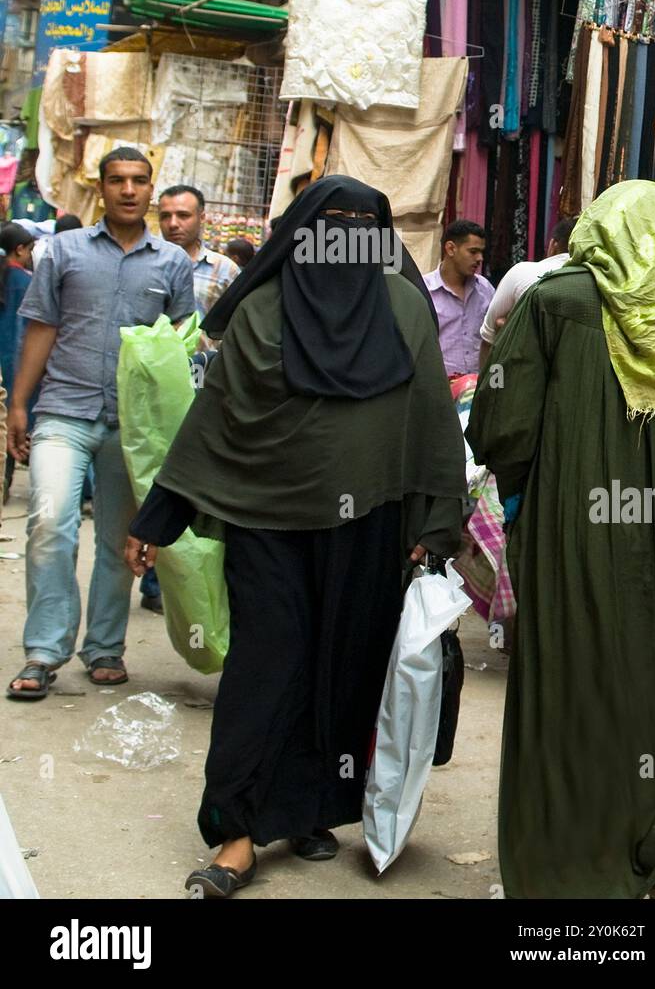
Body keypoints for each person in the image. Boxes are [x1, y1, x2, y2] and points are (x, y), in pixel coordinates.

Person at [125, 176, 468, 898]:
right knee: (266, 669)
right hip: (268, 522)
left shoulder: (403, 308)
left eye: (360, 225)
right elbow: (216, 422)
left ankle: (310, 808)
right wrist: (157, 521)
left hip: (370, 526)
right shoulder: (261, 310)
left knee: (343, 672)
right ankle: (238, 830)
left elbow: (430, 418)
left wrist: (434, 526)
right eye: (331, 223)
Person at [467, 181, 655, 900]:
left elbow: (501, 425)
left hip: (576, 530)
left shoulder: (556, 298)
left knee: (569, 681)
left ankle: (566, 861)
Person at [6, 147, 195, 700]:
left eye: (139, 181)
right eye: (118, 181)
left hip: (132, 427)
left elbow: (178, 347)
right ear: (102, 187)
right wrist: (20, 403)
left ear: (151, 189)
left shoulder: (172, 263)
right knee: (48, 524)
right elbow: (40, 329)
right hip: (64, 409)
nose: (129, 191)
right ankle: (44, 649)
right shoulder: (63, 251)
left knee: (120, 539)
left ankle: (104, 647)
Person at [478, 216, 578, 368]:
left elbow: (489, 338)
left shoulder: (522, 272)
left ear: (552, 245)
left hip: (519, 378)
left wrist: (490, 385)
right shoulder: (599, 283)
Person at [158, 185, 239, 320]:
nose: (172, 224)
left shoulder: (224, 271)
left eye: (183, 215)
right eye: (165, 216)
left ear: (201, 218)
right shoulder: (145, 264)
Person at [424, 220, 494, 376]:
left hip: (477, 388)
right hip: (440, 389)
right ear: (450, 249)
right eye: (473, 251)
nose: (480, 258)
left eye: (482, 252)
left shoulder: (485, 289)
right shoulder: (425, 291)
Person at [0, 223, 35, 503]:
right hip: (15, 369)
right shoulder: (26, 282)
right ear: (20, 249)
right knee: (9, 429)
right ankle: (5, 483)